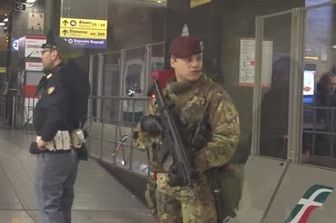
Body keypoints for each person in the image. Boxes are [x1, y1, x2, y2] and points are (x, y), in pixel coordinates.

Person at [134, 36, 240, 223]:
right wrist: (145, 127)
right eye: (188, 60)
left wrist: (193, 163)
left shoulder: (213, 95)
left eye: (198, 58)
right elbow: (140, 140)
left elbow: (228, 139)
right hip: (164, 189)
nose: (195, 64)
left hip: (197, 190)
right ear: (173, 61)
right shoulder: (164, 94)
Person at [32, 33, 89, 223]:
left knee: (49, 203)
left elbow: (55, 111)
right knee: (64, 203)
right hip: (73, 147)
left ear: (54, 54)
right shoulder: (78, 76)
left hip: (55, 150)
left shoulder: (59, 78)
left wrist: (43, 139)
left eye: (44, 52)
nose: (42, 56)